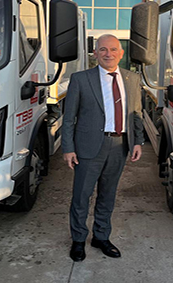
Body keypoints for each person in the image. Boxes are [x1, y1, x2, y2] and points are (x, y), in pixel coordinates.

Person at [61, 34, 144, 262]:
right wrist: (68, 148)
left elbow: (136, 113)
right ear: (95, 53)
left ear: (121, 53)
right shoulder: (80, 79)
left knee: (108, 194)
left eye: (113, 49)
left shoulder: (132, 79)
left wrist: (137, 141)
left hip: (119, 145)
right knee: (82, 196)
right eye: (103, 49)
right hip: (88, 147)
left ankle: (101, 236)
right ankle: (79, 240)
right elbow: (69, 118)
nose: (109, 54)